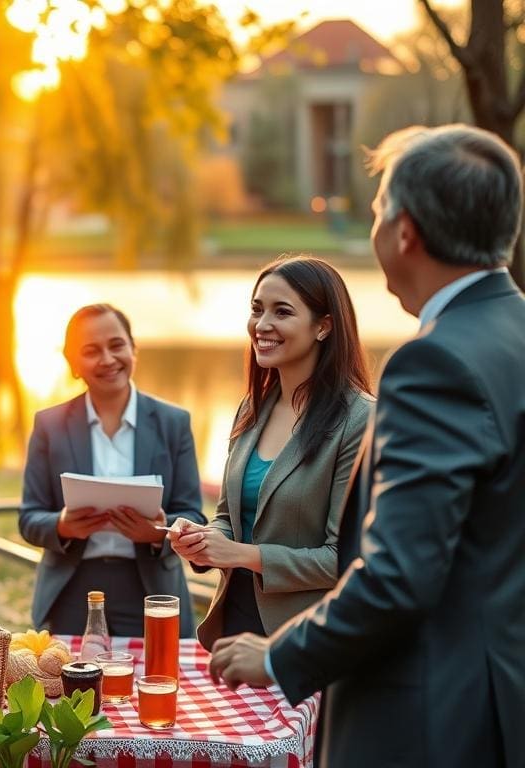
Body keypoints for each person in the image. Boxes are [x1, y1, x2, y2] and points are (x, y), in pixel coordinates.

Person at [207, 124, 525, 768]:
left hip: (431, 722)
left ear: (403, 232)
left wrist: (278, 655)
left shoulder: (434, 364)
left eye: (379, 210)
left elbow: (399, 577)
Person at [169, 256, 372, 649]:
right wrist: (203, 541)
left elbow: (342, 559)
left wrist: (242, 554)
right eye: (257, 309)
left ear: (324, 326)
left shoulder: (360, 420)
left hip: (307, 639)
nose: (262, 325)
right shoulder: (252, 408)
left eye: (282, 312)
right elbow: (229, 517)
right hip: (233, 628)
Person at [19, 303, 204, 637]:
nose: (107, 359)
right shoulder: (49, 425)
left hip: (151, 590)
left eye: (116, 345)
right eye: (91, 351)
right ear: (73, 364)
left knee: (157, 683)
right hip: (71, 591)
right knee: (69, 687)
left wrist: (158, 532)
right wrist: (62, 526)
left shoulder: (174, 423)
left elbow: (194, 515)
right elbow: (29, 518)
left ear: (134, 349)